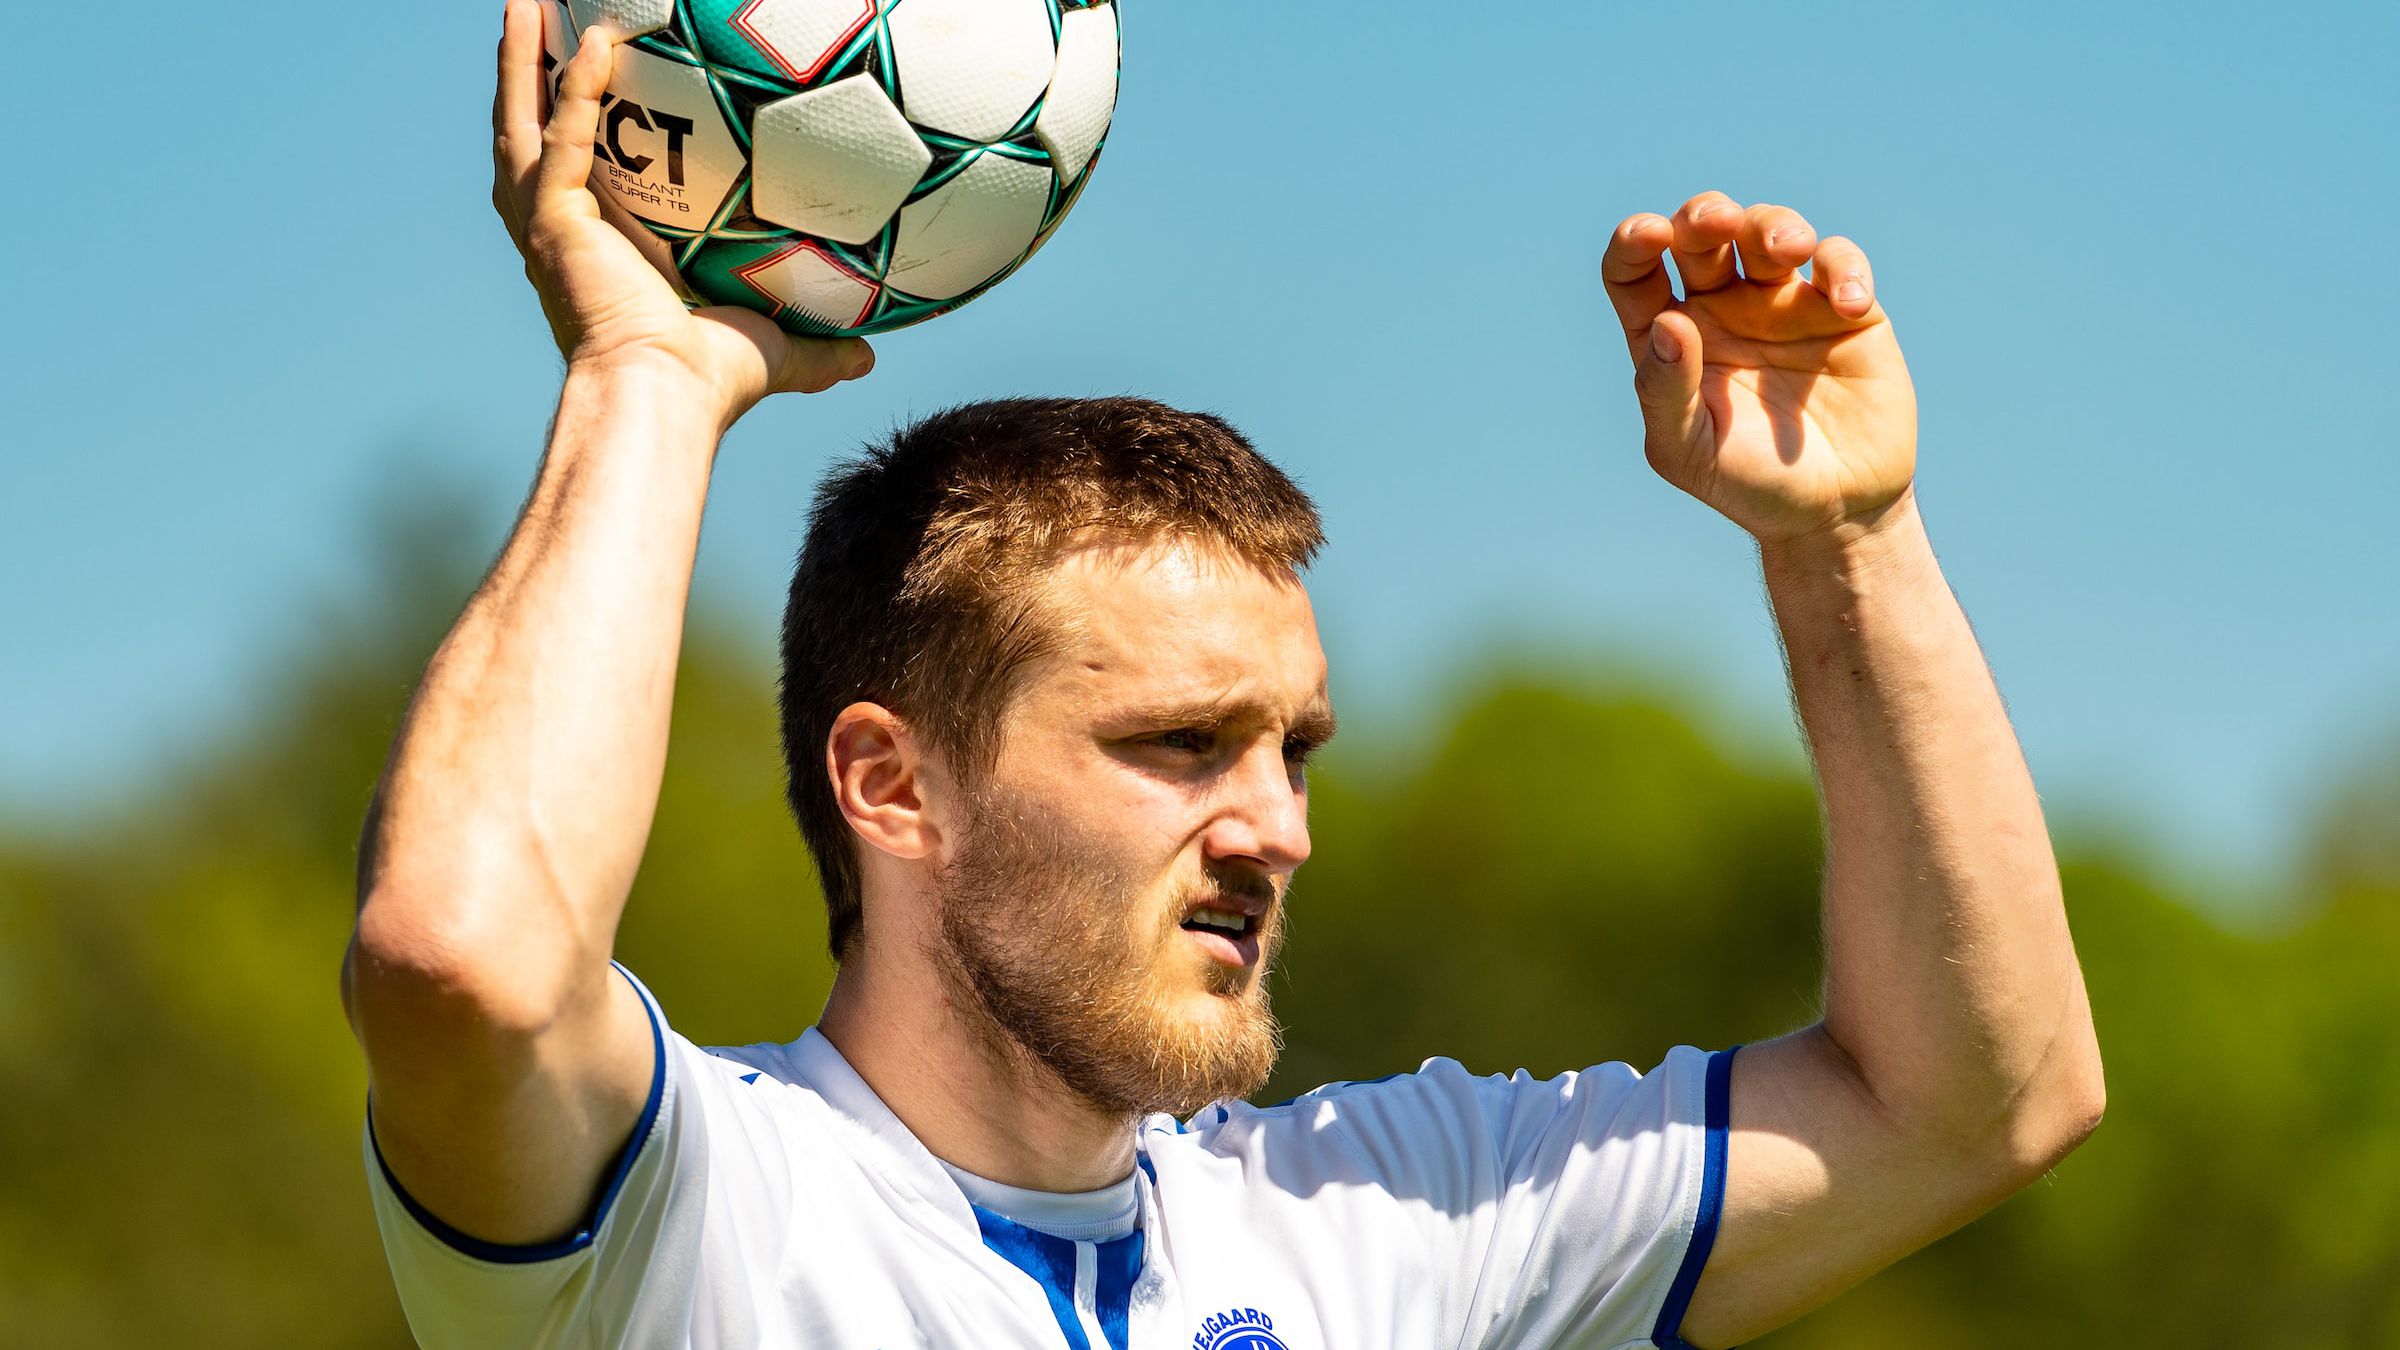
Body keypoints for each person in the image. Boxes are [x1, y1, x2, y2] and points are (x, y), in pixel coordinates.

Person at [342, 8, 2105, 1348]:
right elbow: (462, 958)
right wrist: (649, 374)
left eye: (1293, 749)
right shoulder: (689, 1206)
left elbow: (1977, 1100)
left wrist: (1850, 538)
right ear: (892, 783)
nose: (1276, 827)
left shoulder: (1389, 1219)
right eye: (1181, 743)